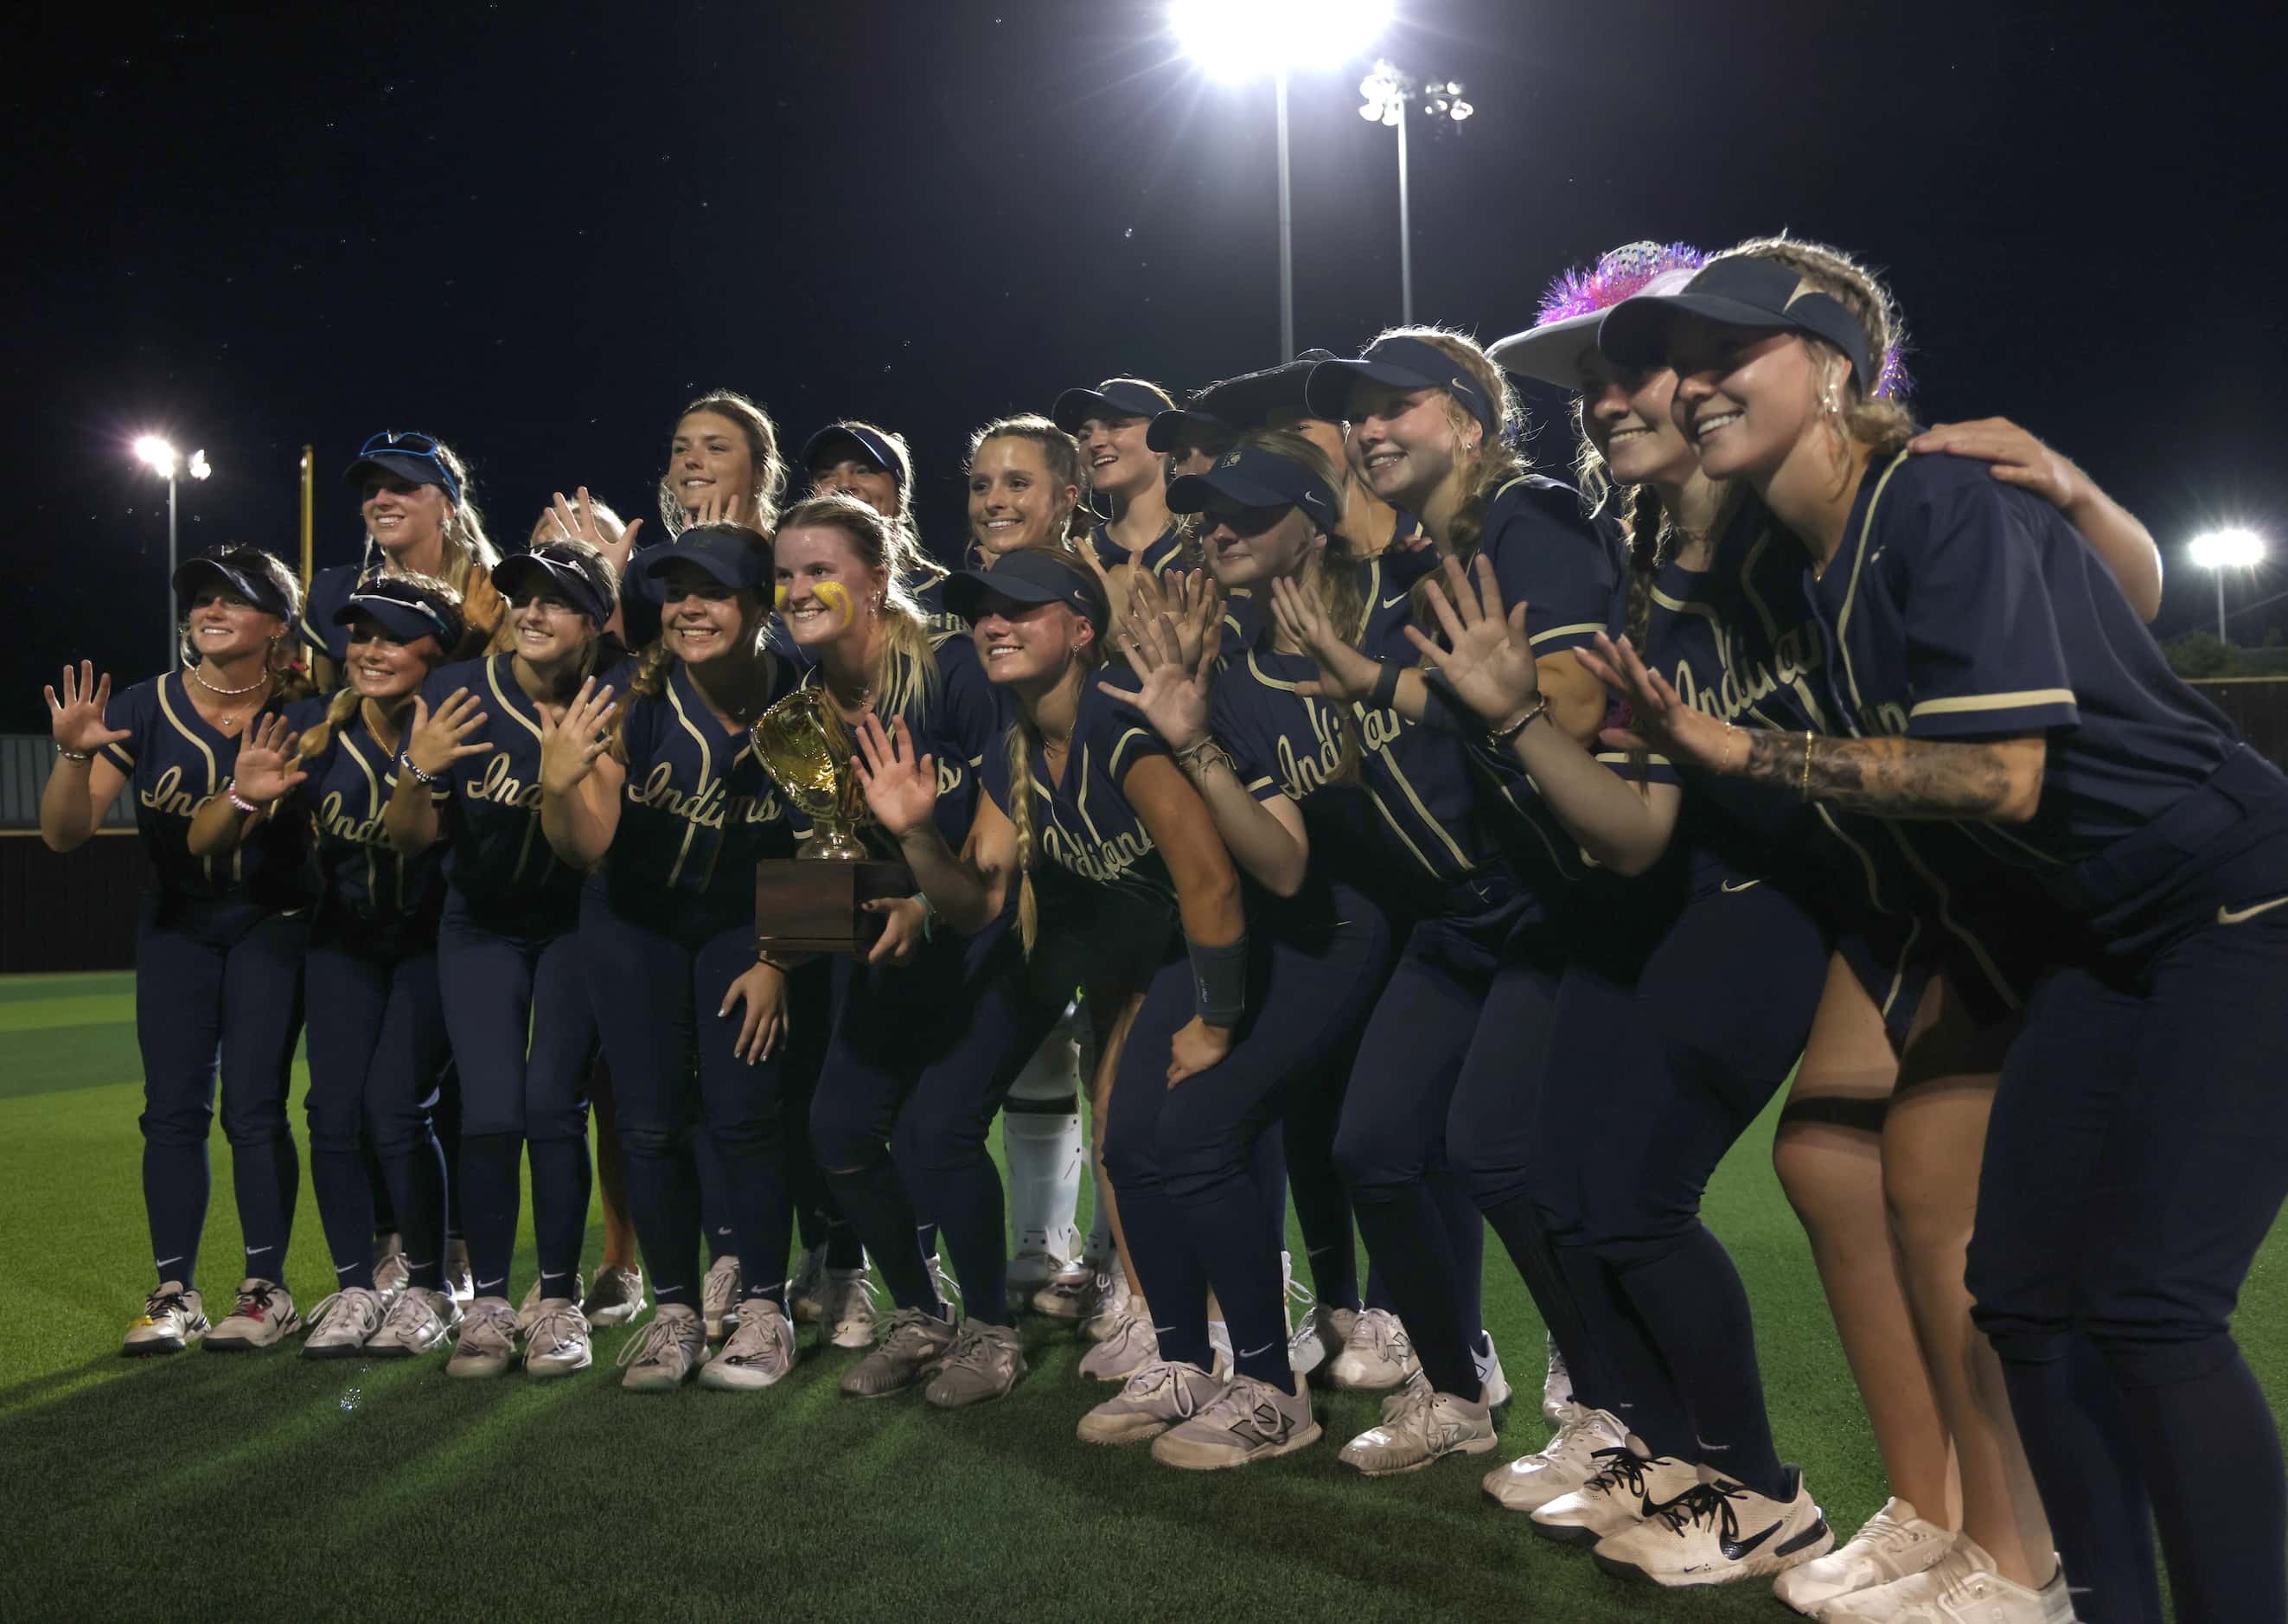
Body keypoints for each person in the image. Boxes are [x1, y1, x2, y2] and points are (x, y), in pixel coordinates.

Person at [1593, 240, 2288, 1624]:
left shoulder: (1933, 496)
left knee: (2152, 1308)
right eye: (1689, 360)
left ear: (1834, 368)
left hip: (2235, 902)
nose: (1697, 382)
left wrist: (1737, 752)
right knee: (2022, 1300)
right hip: (2094, 941)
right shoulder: (1808, 564)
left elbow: (1997, 776)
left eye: (1734, 352)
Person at [856, 547, 1319, 1469]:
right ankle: (1183, 1361)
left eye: (1022, 609)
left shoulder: (1120, 722)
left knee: (1177, 1145)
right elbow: (979, 900)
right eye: (984, 610)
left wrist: (1216, 1021)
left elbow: (1212, 879)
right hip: (1174, 955)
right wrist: (913, 837)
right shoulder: (1016, 739)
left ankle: (1272, 1385)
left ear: (1081, 629)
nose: (994, 623)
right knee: (1129, 1147)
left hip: (1251, 948)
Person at [779, 491, 1064, 1405]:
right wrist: (780, 952)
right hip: (911, 933)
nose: (799, 589)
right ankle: (918, 1315)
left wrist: (913, 894)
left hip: (1007, 931)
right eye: (784, 574)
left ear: (880, 577)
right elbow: (830, 870)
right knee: (838, 1129)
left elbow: (993, 881)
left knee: (938, 1132)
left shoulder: (954, 671)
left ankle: (989, 1328)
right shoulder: (800, 715)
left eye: (821, 569)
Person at [540, 515, 824, 1393]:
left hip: (748, 925)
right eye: (676, 591)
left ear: (760, 601)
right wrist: (557, 785)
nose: (690, 608)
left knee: (745, 1113)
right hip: (635, 924)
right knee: (651, 1121)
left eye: (713, 591)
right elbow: (588, 847)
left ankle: (766, 1308)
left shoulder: (803, 696)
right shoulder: (630, 694)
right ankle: (673, 1313)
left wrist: (780, 960)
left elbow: (827, 845)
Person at [42, 547, 314, 1354]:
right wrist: (74, 752)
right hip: (176, 926)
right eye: (200, 596)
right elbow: (64, 834)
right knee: (171, 1112)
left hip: (275, 920)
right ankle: (175, 1292)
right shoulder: (146, 703)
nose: (210, 607)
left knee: (255, 1108)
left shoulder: (308, 710)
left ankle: (266, 1289)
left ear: (278, 621)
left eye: (234, 596)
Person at [189, 574, 463, 1358]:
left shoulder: (461, 722)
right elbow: (204, 843)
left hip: (435, 943)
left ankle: (428, 1287)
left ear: (437, 650)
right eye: (361, 634)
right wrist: (243, 800)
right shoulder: (308, 725)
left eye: (394, 635)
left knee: (395, 1109)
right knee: (331, 1114)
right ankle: (352, 1287)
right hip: (343, 941)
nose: (372, 650)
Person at [384, 532, 623, 1378]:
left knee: (554, 1106)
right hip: (478, 923)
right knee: (490, 1111)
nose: (533, 611)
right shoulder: (456, 688)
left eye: (558, 598)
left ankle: (555, 1303)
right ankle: (487, 1303)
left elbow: (592, 852)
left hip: (576, 924)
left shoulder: (620, 692)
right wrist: (418, 769)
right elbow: (407, 839)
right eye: (525, 595)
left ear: (597, 619)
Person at [303, 432, 503, 684]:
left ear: (448, 507)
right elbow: (326, 706)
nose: (381, 500)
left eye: (403, 487)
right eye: (371, 490)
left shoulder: (490, 595)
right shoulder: (332, 591)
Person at [801, 419, 961, 634]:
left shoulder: (951, 598)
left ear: (900, 495)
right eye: (826, 475)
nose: (844, 485)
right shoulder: (796, 597)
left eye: (863, 470)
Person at [1050, 378, 1192, 584]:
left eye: (1116, 425)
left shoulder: (1212, 541)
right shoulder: (1077, 559)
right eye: (1084, 436)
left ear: (1162, 439)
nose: (1094, 443)